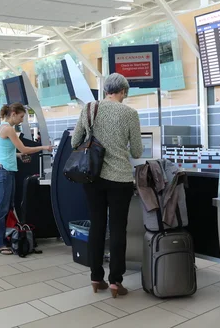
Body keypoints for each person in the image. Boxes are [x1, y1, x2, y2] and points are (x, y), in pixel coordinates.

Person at [71, 73, 143, 298]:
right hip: (119, 179)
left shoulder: (90, 108)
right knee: (118, 229)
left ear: (105, 91)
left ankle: (96, 277)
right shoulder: (130, 113)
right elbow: (137, 152)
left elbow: (75, 142)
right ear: (123, 91)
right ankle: (116, 282)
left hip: (92, 178)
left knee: (97, 225)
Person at [0, 103, 53, 255]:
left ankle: (5, 237)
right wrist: (43, 147)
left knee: (7, 207)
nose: (21, 120)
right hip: (4, 172)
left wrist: (19, 156)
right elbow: (24, 148)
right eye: (20, 117)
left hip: (4, 170)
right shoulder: (8, 129)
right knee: (2, 208)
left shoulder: (1, 127)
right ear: (13, 113)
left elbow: (6, 152)